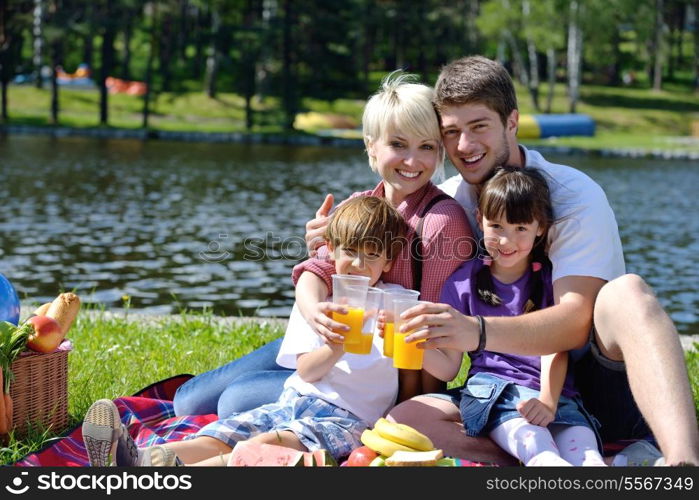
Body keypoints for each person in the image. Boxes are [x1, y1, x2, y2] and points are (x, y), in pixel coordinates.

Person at [376, 56, 699, 466]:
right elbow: (391, 230)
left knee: (628, 293)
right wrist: (330, 238)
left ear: (512, 122)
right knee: (408, 419)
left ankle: (682, 464)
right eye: (451, 132)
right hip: (503, 391)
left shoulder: (574, 194)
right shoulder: (454, 200)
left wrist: (474, 330)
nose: (464, 146)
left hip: (594, 386)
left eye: (479, 127)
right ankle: (550, 460)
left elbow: (575, 322)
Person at [172, 71, 473, 418]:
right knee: (188, 403)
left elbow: (437, 339)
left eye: (427, 147)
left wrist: (406, 409)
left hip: (377, 376)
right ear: (371, 146)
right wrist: (314, 310)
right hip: (329, 340)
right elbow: (318, 270)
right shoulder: (358, 204)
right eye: (398, 144)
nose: (412, 161)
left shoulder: (440, 223)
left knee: (235, 401)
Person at [82, 196, 461, 466]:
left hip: (348, 419)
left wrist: (411, 338)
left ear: (389, 260)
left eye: (372, 254)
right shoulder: (321, 303)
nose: (359, 264)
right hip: (294, 398)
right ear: (330, 250)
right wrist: (335, 346)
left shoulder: (397, 303)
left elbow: (445, 370)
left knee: (266, 444)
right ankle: (140, 461)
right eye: (350, 251)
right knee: (224, 432)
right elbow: (306, 372)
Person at [443, 165, 605, 466]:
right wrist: (414, 337)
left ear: (540, 228)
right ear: (480, 221)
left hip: (556, 396)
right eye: (497, 227)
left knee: (588, 458)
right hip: (496, 396)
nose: (506, 241)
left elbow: (554, 345)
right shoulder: (463, 282)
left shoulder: (550, 281)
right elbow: (448, 368)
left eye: (520, 229)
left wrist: (548, 401)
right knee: (540, 453)